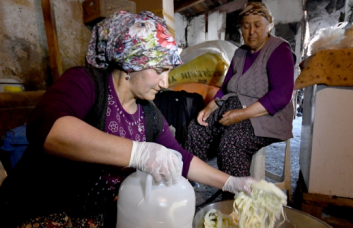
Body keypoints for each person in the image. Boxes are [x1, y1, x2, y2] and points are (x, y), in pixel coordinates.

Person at [0, 11, 255, 227]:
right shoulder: (86, 83)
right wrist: (138, 153)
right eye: (159, 71)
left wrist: (232, 182)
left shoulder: (149, 112)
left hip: (92, 218)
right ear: (132, 63)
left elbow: (182, 159)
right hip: (36, 210)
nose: (166, 83)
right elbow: (46, 128)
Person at [185, 2, 295, 199]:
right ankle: (192, 187)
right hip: (235, 109)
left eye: (257, 25)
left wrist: (241, 115)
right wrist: (209, 107)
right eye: (246, 26)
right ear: (240, 29)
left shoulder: (279, 50)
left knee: (231, 143)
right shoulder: (240, 53)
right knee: (196, 128)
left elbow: (280, 96)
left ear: (269, 24)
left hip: (267, 116)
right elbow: (226, 86)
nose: (251, 31)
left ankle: (236, 202)